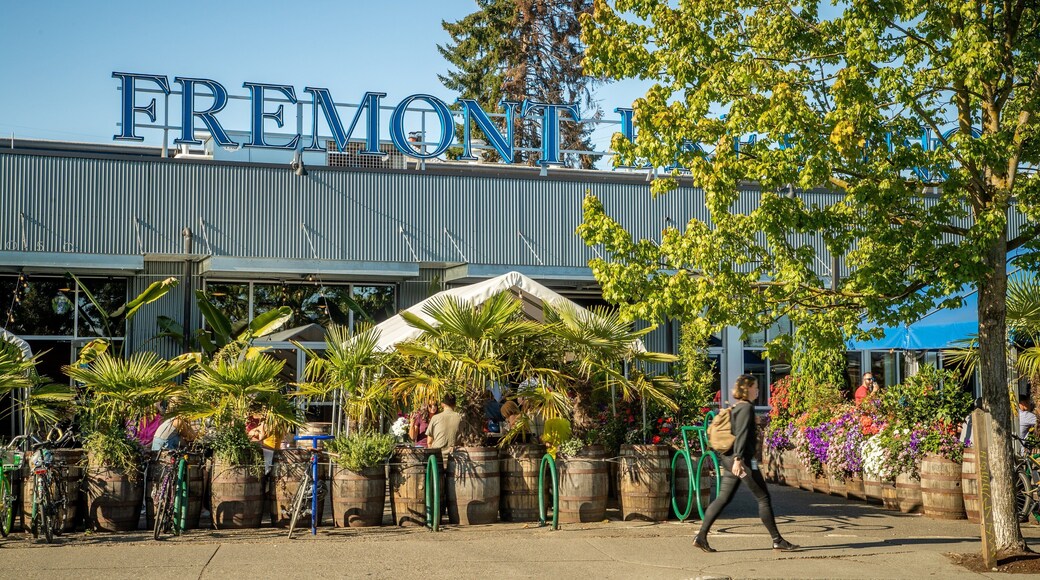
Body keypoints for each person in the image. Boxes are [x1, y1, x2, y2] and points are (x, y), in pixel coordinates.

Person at [694, 374, 798, 553]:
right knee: (763, 498)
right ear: (747, 388)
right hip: (742, 462)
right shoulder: (746, 408)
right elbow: (741, 435)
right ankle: (777, 540)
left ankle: (701, 536)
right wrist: (739, 460)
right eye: (755, 386)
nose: (757, 389)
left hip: (730, 459)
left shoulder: (737, 407)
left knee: (723, 498)